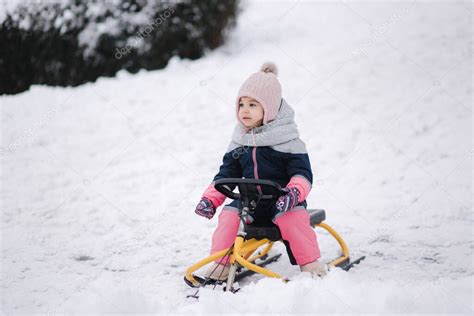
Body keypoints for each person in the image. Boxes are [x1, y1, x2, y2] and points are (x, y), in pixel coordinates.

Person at [194, 62, 327, 280]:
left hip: (283, 202)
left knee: (292, 221)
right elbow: (225, 175)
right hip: (249, 202)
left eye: (253, 105)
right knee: (229, 217)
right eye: (241, 104)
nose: (244, 110)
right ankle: (221, 264)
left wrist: (293, 194)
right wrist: (211, 199)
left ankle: (310, 264)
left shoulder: (288, 140)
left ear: (270, 108)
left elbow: (302, 174)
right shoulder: (240, 140)